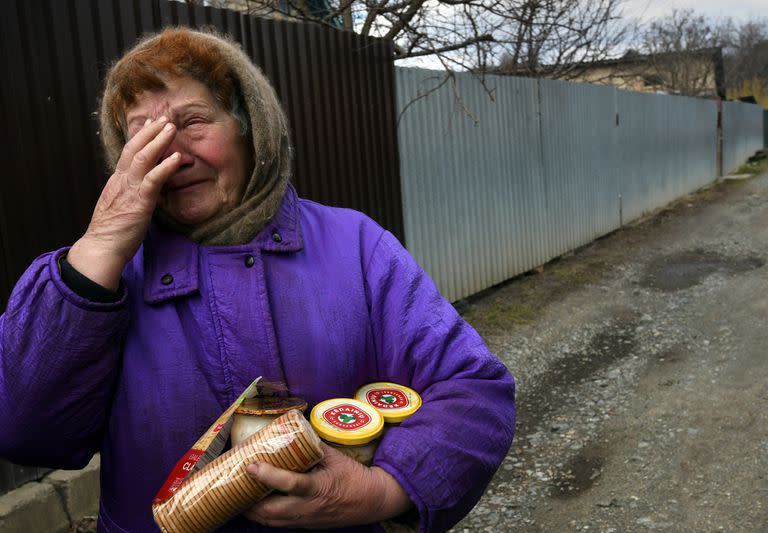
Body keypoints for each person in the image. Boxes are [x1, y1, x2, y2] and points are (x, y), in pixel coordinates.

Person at [0, 28, 515, 532]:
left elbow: (472, 389)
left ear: (251, 127)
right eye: (142, 132)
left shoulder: (356, 246)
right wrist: (100, 247)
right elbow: (26, 432)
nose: (170, 155)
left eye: (193, 121)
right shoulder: (102, 275)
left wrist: (384, 489)